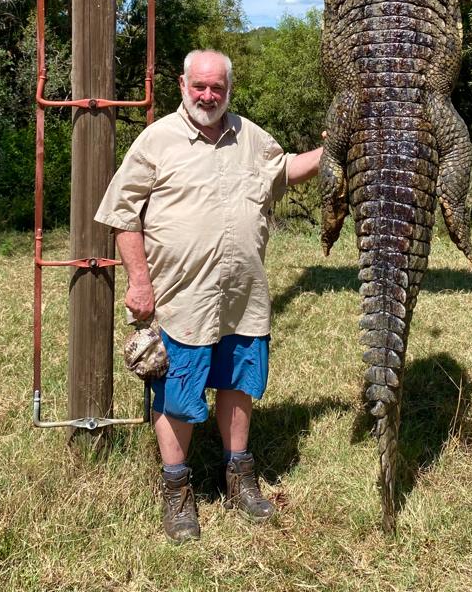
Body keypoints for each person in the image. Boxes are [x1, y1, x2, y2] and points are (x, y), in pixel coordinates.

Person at [94, 48, 323, 543]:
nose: (208, 95)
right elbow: (122, 214)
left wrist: (335, 152)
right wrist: (139, 281)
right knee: (177, 391)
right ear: (182, 85)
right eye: (199, 85)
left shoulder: (250, 137)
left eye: (217, 87)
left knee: (238, 383)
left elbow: (286, 169)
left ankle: (239, 476)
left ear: (229, 89)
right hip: (182, 297)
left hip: (243, 295)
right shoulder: (157, 140)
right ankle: (177, 491)